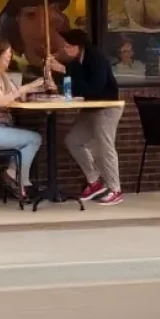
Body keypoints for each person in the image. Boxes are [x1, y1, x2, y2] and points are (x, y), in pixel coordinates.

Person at [49, 29, 124, 205]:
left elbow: (94, 87)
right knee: (73, 140)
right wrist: (60, 71)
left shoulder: (95, 59)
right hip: (90, 108)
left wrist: (64, 71)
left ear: (78, 46)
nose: (66, 49)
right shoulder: (76, 61)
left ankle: (115, 189)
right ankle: (94, 181)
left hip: (107, 107)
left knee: (105, 146)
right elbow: (72, 79)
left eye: (69, 46)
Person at [0, 40, 46, 200]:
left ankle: (15, 177)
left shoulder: (3, 76)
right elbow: (1, 101)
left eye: (10, 55)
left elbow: (19, 95)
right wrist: (23, 88)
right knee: (34, 139)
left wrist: (37, 86)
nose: (9, 59)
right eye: (6, 56)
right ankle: (18, 180)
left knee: (31, 139)